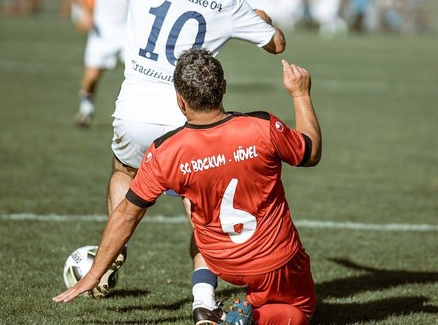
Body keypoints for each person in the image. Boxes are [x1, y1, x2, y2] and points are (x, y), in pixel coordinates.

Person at [9, 0, 285, 323]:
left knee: (123, 170)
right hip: (187, 120)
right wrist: (261, 20)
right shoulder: (228, 1)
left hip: (133, 114)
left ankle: (114, 249)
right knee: (201, 210)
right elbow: (276, 44)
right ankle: (204, 303)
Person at [53, 49, 321, 325]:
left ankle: (228, 305)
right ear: (224, 88)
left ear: (180, 100)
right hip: (277, 260)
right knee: (301, 307)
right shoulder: (261, 127)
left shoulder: (164, 152)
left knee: (254, 286)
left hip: (222, 263)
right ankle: (248, 319)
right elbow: (311, 154)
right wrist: (300, 94)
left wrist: (95, 274)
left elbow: (126, 214)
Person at [71, 0, 140, 127]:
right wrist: (85, 13)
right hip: (103, 30)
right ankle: (86, 109)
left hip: (130, 33)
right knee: (91, 77)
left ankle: (133, 117)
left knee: (138, 75)